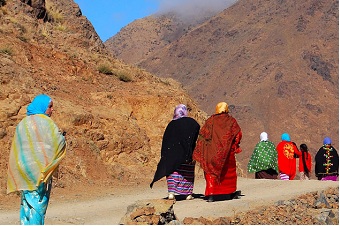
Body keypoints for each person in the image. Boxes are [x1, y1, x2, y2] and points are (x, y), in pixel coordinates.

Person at [7, 94, 67, 225]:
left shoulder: (23, 123)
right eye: (50, 107)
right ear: (43, 107)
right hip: (39, 172)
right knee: (37, 204)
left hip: (23, 171)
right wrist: (63, 138)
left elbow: (19, 148)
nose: (52, 110)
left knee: (27, 202)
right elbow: (58, 143)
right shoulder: (47, 123)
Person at [193, 102, 242, 202]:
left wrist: (204, 150)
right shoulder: (231, 121)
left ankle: (211, 194)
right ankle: (229, 192)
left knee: (211, 173)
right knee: (228, 173)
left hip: (211, 153)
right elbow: (238, 135)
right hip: (227, 154)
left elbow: (203, 135)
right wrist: (233, 145)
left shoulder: (210, 121)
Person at [150, 104, 200, 200]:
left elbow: (166, 141)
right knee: (187, 172)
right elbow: (196, 133)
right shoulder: (192, 123)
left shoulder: (171, 124)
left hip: (172, 155)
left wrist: (165, 155)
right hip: (187, 153)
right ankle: (188, 194)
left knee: (173, 172)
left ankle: (171, 193)